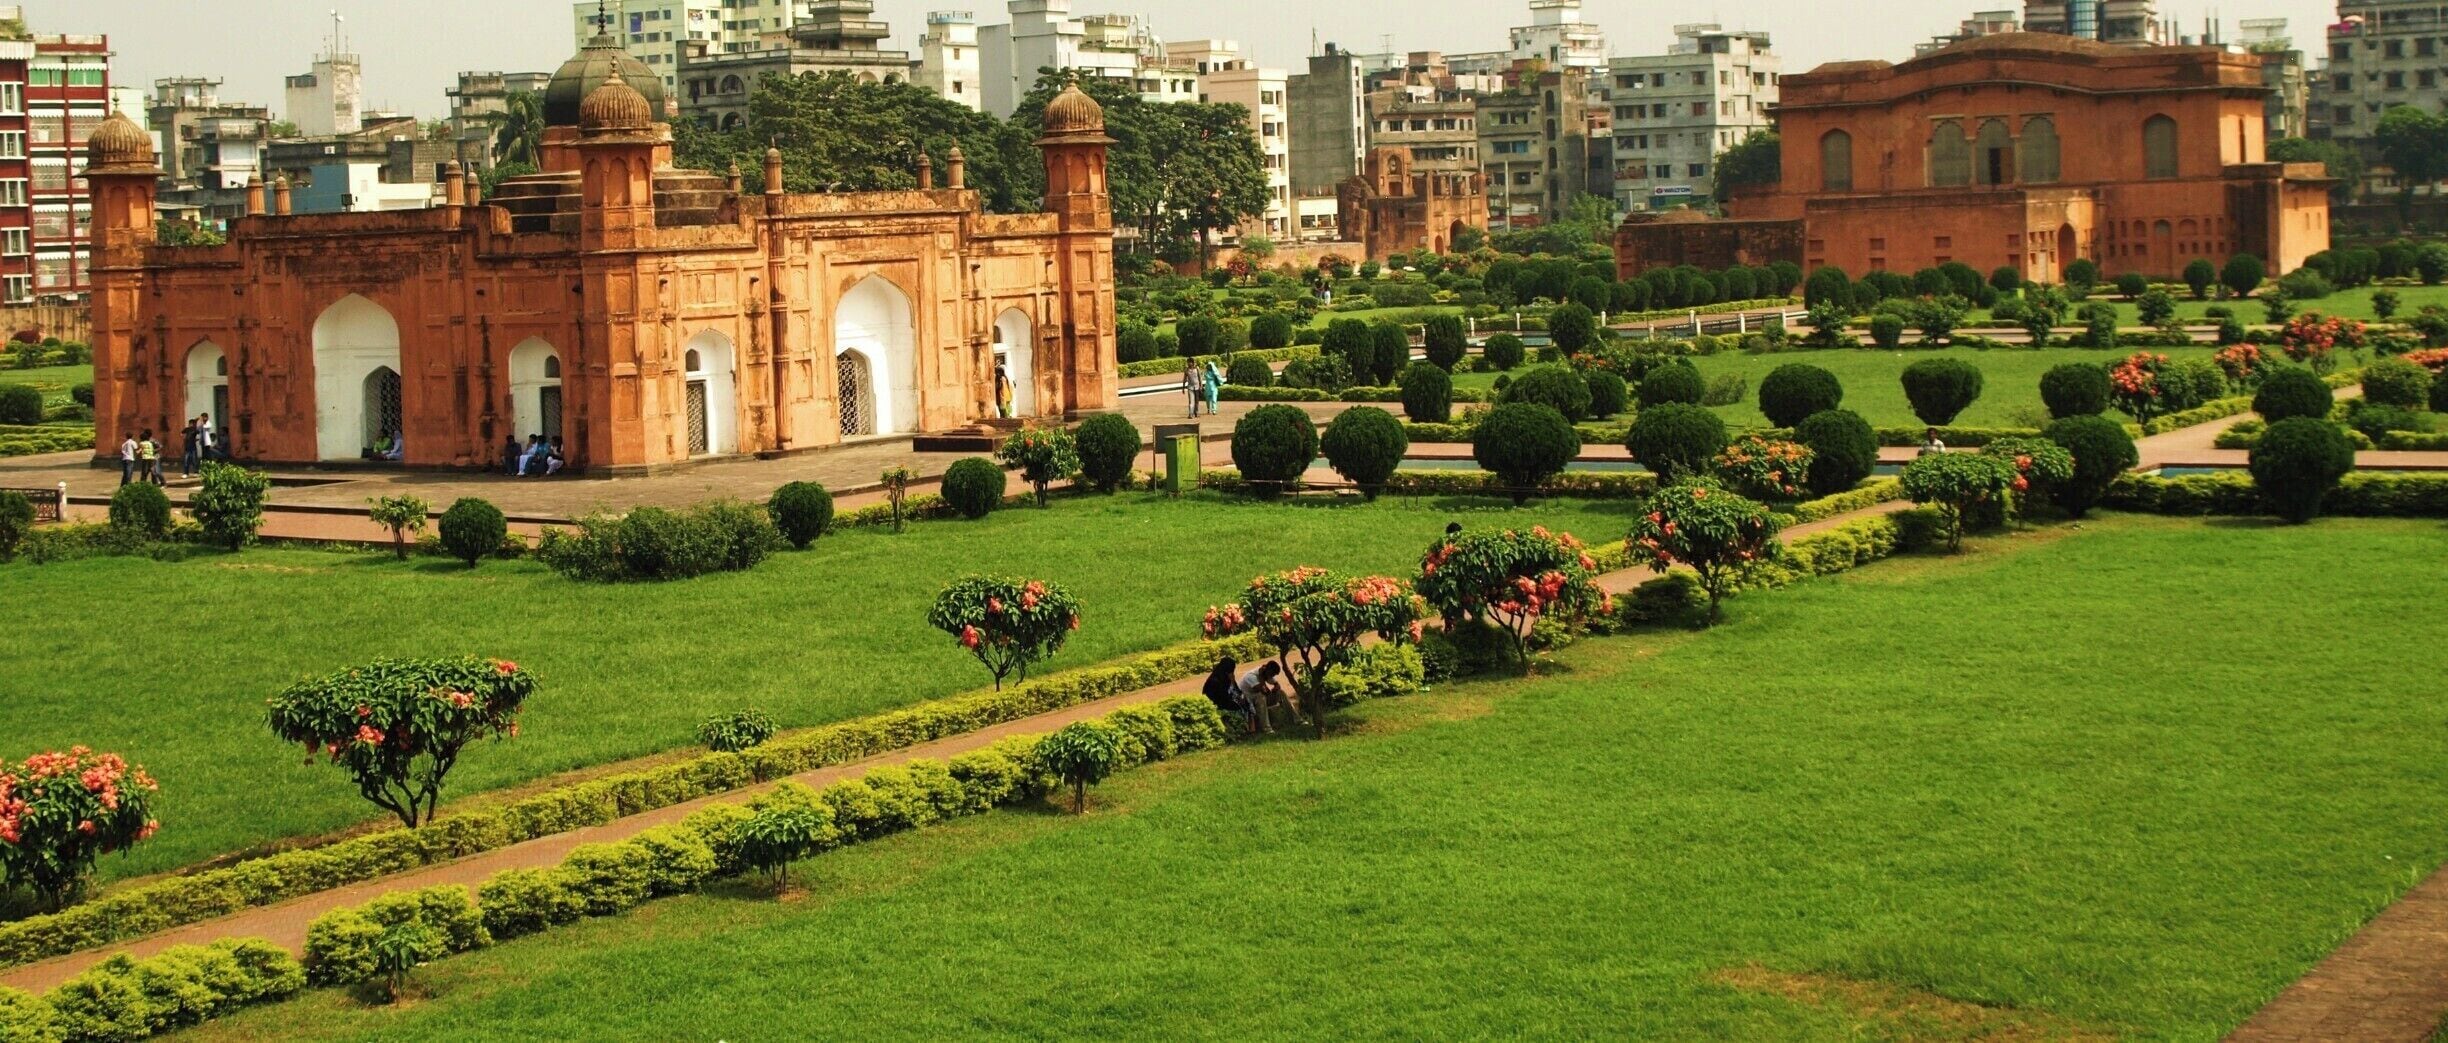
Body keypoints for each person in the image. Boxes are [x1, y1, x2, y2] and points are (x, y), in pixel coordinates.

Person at [1236, 660, 1294, 734]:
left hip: (1260, 698)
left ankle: (1297, 719)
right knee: (1260, 696)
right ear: (1267, 670)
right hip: (1249, 703)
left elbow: (1276, 684)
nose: (1271, 677)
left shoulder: (1267, 673)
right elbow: (1263, 691)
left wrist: (1276, 687)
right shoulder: (1251, 676)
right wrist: (1261, 677)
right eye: (1271, 674)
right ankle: (1267, 728)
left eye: (1273, 675)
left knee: (1281, 693)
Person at [1201, 656, 1248, 730]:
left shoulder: (1228, 677)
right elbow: (1222, 696)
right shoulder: (1215, 680)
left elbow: (1236, 690)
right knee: (1236, 708)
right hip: (1217, 703)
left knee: (1246, 704)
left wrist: (1240, 695)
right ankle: (1240, 728)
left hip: (1226, 699)